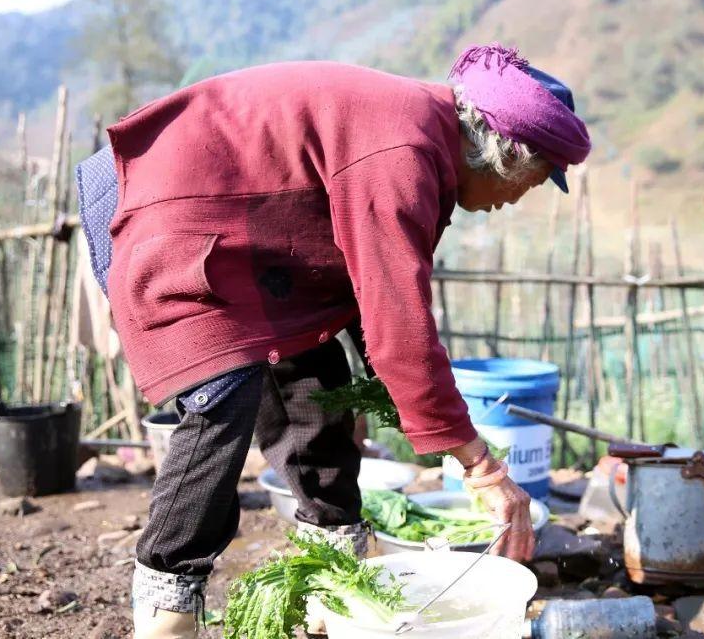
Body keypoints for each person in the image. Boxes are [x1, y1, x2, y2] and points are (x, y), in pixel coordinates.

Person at [76, 43, 591, 639]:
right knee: (224, 396)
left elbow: (376, 311)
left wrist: (402, 394)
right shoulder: (406, 149)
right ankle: (166, 617)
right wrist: (480, 466)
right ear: (508, 155)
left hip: (252, 240)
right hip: (169, 206)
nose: (516, 199)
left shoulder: (422, 137)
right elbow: (398, 325)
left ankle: (332, 594)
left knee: (318, 391)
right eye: (533, 181)